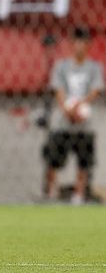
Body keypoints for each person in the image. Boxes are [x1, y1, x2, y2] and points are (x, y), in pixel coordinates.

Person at [42, 27, 104, 205]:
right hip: (63, 122)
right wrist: (67, 109)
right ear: (71, 44)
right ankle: (52, 192)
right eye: (76, 41)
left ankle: (78, 195)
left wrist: (79, 105)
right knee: (53, 158)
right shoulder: (61, 66)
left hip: (85, 123)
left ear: (88, 45)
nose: (79, 45)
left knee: (84, 162)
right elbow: (58, 90)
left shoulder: (94, 67)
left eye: (83, 42)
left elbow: (95, 90)